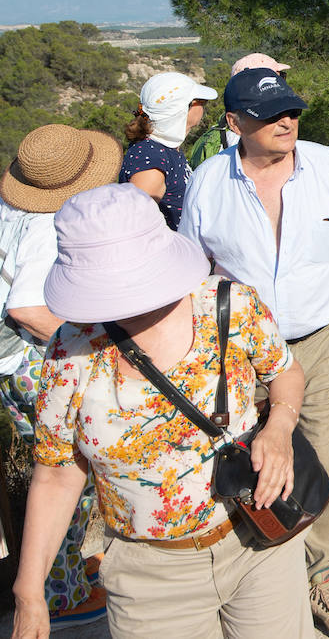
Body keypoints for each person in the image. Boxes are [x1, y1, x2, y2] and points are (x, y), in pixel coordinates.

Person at [12, 183, 310, 639]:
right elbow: (56, 474)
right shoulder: (68, 354)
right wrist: (29, 592)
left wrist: (281, 425)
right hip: (149, 578)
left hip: (258, 537)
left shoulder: (228, 304)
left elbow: (285, 372)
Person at [180, 67, 329, 638]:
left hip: (327, 338)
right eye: (270, 114)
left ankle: (323, 575)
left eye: (292, 112)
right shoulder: (206, 185)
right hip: (243, 352)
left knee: (328, 460)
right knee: (249, 460)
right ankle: (262, 570)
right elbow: (189, 271)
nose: (286, 122)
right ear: (234, 123)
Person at [0, 124, 120, 631]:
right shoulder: (47, 225)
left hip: (7, 362)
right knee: (70, 468)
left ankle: (60, 570)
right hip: (32, 361)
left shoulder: (12, 211)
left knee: (49, 470)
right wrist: (89, 344)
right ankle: (64, 592)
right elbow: (26, 306)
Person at [118, 72, 217, 230]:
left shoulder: (163, 148)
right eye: (201, 102)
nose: (204, 106)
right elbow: (134, 224)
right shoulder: (150, 161)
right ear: (183, 109)